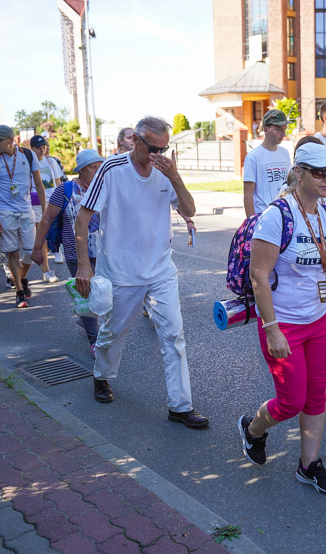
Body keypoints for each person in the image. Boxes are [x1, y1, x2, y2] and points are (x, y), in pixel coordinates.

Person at [74, 116, 208, 428]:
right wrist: (84, 265)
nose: (157, 155)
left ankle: (180, 406)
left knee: (174, 336)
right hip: (120, 272)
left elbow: (188, 210)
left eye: (164, 148)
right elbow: (82, 218)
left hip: (161, 270)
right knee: (112, 333)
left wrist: (175, 178)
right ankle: (101, 376)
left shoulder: (165, 171)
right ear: (135, 139)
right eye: (152, 148)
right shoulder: (111, 170)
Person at [238, 142, 326, 495]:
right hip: (283, 323)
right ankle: (253, 428)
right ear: (298, 173)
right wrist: (271, 330)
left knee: (317, 395)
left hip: (319, 320)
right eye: (320, 172)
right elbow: (259, 276)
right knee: (291, 401)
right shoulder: (277, 216)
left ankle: (308, 465)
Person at [32, 149, 104, 354]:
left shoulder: (105, 188)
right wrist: (38, 248)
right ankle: (94, 340)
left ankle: (89, 322)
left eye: (100, 167)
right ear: (81, 170)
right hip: (76, 254)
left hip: (105, 253)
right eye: (93, 167)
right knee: (87, 295)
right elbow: (46, 219)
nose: (97, 171)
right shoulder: (65, 190)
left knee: (105, 295)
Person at [0, 125, 45, 308]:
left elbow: (39, 185)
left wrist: (45, 211)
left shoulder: (28, 155)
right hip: (4, 212)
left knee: (31, 252)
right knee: (12, 252)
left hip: (26, 211)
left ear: (11, 140)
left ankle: (23, 277)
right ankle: (19, 291)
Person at [243, 109, 290, 217]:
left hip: (285, 215)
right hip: (263, 216)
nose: (283, 134)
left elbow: (289, 185)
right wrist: (251, 222)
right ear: (266, 129)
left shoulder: (285, 153)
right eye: (278, 129)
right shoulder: (253, 157)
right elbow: (247, 195)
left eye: (284, 129)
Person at [28, 135, 63, 282]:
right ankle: (46, 270)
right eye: (39, 148)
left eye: (44, 147)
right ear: (32, 149)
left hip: (53, 201)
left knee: (56, 232)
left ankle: (56, 250)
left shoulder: (51, 162)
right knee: (41, 236)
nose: (43, 150)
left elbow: (57, 182)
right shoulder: (29, 164)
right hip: (36, 202)